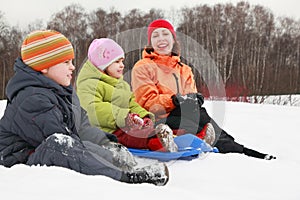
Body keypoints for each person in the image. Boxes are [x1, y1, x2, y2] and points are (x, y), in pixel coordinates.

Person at [0, 30, 169, 186]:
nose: (72, 67)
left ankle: (119, 167)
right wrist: (103, 157)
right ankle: (125, 178)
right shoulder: (31, 98)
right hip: (20, 162)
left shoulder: (63, 93)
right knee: (60, 144)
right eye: (66, 62)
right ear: (44, 67)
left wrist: (109, 147)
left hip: (45, 151)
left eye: (72, 62)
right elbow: (68, 143)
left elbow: (82, 129)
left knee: (83, 146)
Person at [131, 19, 276, 160]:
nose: (161, 39)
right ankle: (234, 148)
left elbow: (189, 97)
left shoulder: (184, 69)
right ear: (150, 42)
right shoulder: (142, 67)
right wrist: (174, 100)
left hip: (184, 115)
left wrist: (194, 99)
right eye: (155, 36)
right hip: (158, 120)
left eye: (165, 34)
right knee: (196, 119)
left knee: (197, 111)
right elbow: (147, 102)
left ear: (173, 39)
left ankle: (234, 147)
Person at [76, 38, 177, 152]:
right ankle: (158, 144)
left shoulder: (121, 85)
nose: (122, 65)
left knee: (139, 131)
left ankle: (164, 138)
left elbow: (131, 104)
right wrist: (123, 116)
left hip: (125, 125)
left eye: (122, 61)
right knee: (133, 137)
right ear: (102, 65)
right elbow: (93, 109)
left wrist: (144, 116)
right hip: (106, 131)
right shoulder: (89, 84)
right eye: (117, 62)